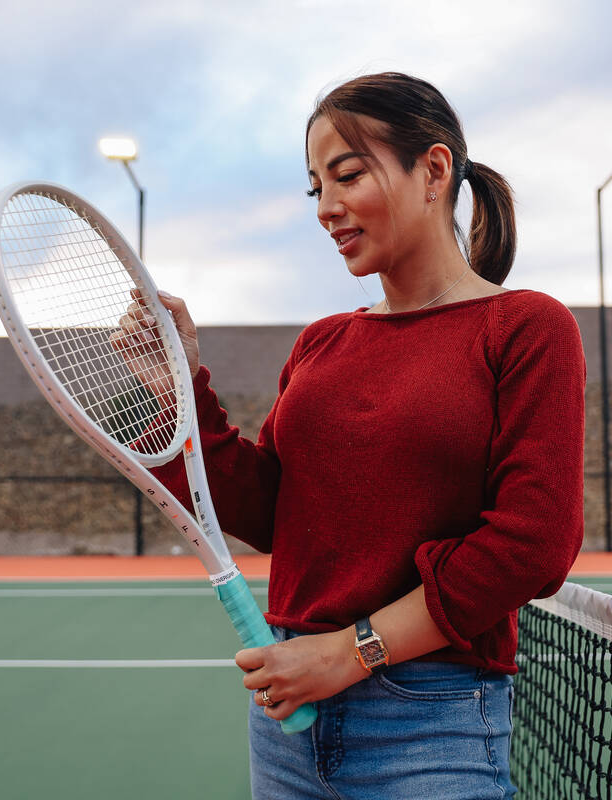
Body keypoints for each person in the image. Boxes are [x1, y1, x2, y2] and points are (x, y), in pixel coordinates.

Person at [119, 72, 584, 799]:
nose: (326, 208)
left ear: (432, 170)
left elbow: (533, 543)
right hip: (288, 719)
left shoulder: (526, 328)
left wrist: (353, 652)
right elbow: (265, 510)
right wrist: (178, 388)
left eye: (348, 175)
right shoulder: (322, 342)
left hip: (432, 723)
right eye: (315, 189)